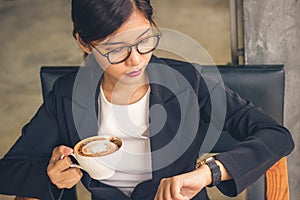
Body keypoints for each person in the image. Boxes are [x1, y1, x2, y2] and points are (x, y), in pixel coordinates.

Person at [0, 0, 294, 199]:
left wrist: (209, 173)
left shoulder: (188, 81)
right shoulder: (66, 94)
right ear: (84, 43)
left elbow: (276, 136)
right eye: (116, 50)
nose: (136, 60)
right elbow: (8, 169)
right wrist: (50, 176)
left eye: (145, 40)